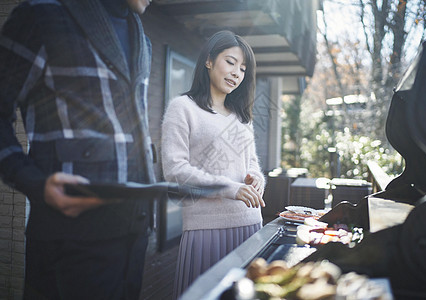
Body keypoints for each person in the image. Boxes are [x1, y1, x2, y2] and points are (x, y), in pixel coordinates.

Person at [0, 0, 155, 298]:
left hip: (135, 232)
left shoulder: (143, 39)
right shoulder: (41, 16)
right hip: (69, 236)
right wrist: (34, 181)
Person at [161, 30, 266, 298]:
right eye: (230, 62)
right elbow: (175, 170)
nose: (236, 73)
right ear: (209, 61)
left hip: (250, 224)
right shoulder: (182, 108)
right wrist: (230, 188)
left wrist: (256, 179)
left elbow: (251, 163)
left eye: (242, 69)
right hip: (205, 229)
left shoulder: (242, 117)